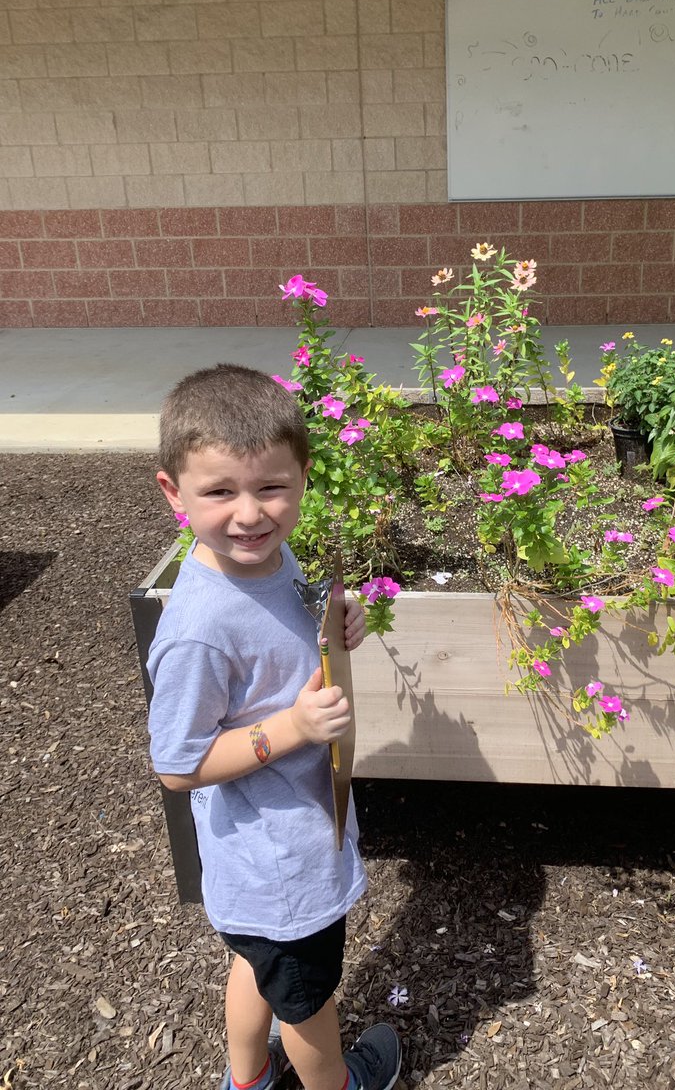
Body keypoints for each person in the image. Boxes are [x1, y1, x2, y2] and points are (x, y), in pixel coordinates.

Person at [146, 363, 401, 1090]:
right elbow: (177, 765)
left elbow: (280, 638)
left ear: (303, 477)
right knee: (308, 1006)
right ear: (174, 492)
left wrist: (333, 625)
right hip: (281, 865)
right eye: (219, 492)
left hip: (261, 863)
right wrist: (290, 728)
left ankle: (247, 1078)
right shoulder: (198, 631)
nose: (250, 514)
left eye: (271, 488)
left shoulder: (265, 559)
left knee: (254, 965)